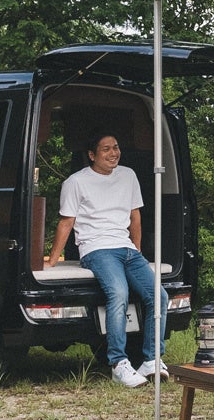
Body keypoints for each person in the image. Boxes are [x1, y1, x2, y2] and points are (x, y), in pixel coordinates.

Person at [48, 129, 169, 388]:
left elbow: (135, 216)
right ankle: (118, 364)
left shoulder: (128, 175)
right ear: (92, 155)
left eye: (116, 147)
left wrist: (136, 250)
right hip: (97, 249)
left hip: (126, 249)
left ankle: (152, 360)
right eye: (106, 149)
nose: (113, 153)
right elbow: (66, 222)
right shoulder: (75, 182)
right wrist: (53, 260)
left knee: (159, 296)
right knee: (119, 293)